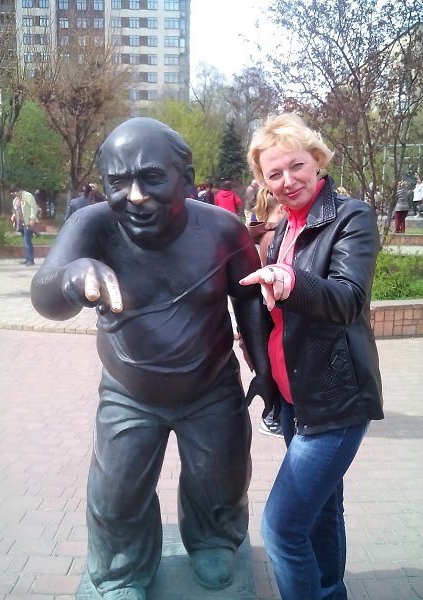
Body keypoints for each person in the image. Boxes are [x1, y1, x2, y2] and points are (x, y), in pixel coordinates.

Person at [30, 117, 276, 600]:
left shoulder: (223, 231)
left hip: (211, 388)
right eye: (118, 182)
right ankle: (121, 569)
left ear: (185, 177)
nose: (136, 196)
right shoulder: (92, 226)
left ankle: (213, 541)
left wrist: (263, 367)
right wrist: (71, 278)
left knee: (222, 478)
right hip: (129, 394)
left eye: (152, 177)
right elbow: (45, 293)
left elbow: (249, 296)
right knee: (116, 492)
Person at [239, 112, 384, 600]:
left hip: (334, 400)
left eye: (296, 166)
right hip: (294, 397)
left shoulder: (351, 217)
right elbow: (279, 309)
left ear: (317, 160)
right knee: (322, 513)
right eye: (274, 173)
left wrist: (289, 281)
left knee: (281, 529)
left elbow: (347, 299)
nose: (287, 180)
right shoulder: (284, 228)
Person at [247, 186, 285, 437]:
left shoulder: (260, 233)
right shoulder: (273, 236)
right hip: (270, 307)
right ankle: (272, 416)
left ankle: (273, 414)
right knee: (276, 364)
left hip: (263, 307)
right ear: (281, 208)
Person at [10, 184, 39, 266]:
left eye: (14, 193)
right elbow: (15, 210)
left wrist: (32, 218)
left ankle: (30, 260)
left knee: (27, 241)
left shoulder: (27, 195)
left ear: (17, 191)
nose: (14, 195)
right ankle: (28, 259)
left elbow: (33, 207)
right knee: (25, 241)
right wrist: (13, 216)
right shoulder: (15, 200)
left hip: (28, 222)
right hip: (20, 223)